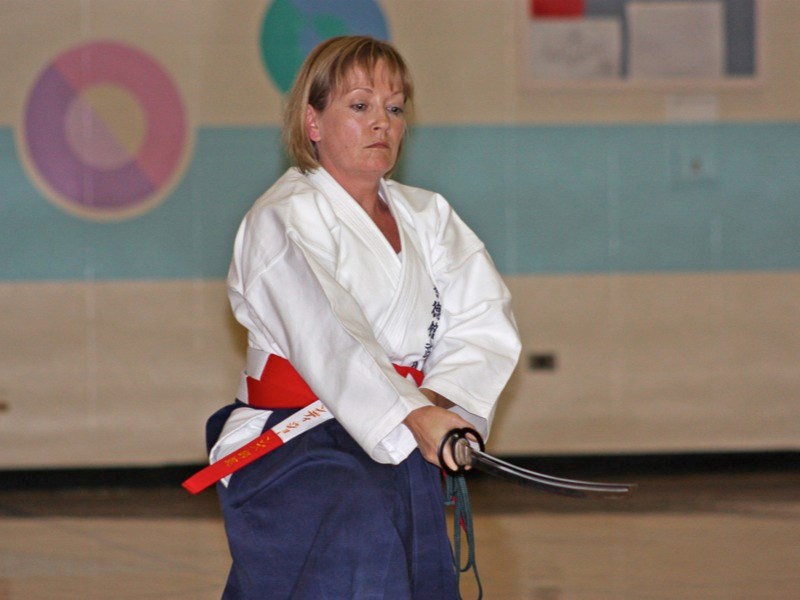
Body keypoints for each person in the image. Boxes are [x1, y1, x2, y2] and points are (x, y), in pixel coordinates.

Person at [205, 36, 521, 599]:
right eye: (360, 105)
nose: (382, 122)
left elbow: (482, 321)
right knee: (359, 547)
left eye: (394, 109)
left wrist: (442, 405)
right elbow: (329, 329)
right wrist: (412, 414)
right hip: (298, 446)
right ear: (313, 121)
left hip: (402, 439)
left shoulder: (430, 216)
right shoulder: (282, 218)